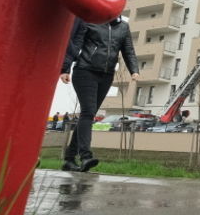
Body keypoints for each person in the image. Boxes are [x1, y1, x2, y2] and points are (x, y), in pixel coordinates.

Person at [59, 14, 140, 172]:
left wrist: (134, 70)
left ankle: (69, 159)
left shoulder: (123, 27)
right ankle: (85, 156)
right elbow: (76, 44)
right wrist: (65, 68)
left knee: (87, 116)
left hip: (106, 75)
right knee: (88, 113)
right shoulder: (91, 19)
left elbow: (128, 50)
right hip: (85, 71)